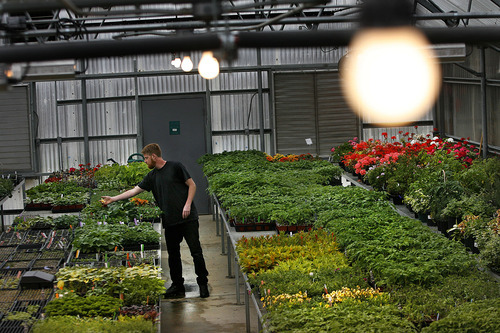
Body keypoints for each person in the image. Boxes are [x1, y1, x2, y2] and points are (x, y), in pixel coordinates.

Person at [101, 143, 209, 298]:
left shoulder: (175, 167)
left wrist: (187, 204)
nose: (144, 161)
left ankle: (203, 284)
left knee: (196, 252)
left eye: (145, 158)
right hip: (170, 221)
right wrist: (113, 199)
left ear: (154, 156)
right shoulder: (152, 176)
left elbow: (192, 185)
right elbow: (134, 191)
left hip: (188, 218)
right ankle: (178, 286)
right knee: (173, 255)